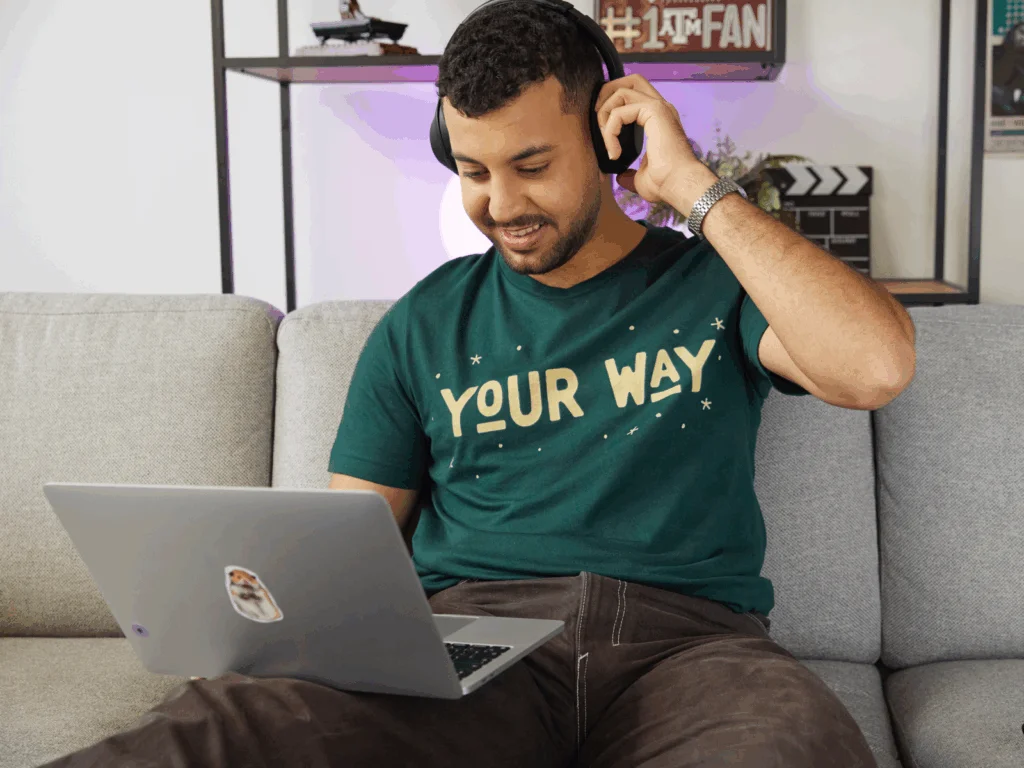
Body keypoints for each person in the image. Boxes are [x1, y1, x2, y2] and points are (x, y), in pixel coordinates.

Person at [44, 2, 914, 766]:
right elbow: (342, 556)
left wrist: (692, 186)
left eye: (531, 166)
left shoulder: (717, 283)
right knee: (224, 733)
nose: (500, 205)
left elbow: (875, 367)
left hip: (693, 652)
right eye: (473, 171)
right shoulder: (421, 325)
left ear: (610, 142)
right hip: (471, 646)